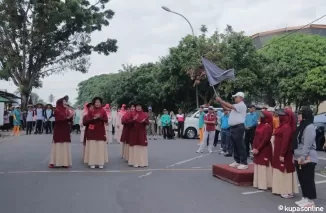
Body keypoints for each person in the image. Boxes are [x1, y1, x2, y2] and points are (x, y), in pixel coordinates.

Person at [216, 92, 248, 170]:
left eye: (236, 97)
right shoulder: (236, 106)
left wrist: (221, 100)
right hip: (233, 127)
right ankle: (237, 161)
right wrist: (220, 102)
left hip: (238, 127)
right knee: (235, 144)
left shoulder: (241, 105)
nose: (235, 98)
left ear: (241, 98)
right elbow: (227, 108)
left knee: (240, 145)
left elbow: (229, 106)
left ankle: (244, 162)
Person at [293, 106, 318, 207]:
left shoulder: (309, 127)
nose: (298, 115)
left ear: (305, 115)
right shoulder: (301, 126)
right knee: (302, 179)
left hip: (307, 157)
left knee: (308, 179)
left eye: (300, 114)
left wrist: (303, 157)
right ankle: (304, 197)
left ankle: (310, 200)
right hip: (298, 156)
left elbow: (307, 144)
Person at [272, 109, 298, 198]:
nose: (279, 117)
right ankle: (280, 189)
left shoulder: (287, 127)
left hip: (284, 153)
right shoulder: (281, 126)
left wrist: (282, 154)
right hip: (278, 152)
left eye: (281, 115)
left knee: (285, 171)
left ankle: (286, 190)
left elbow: (285, 142)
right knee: (279, 170)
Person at [83, 97, 109, 169]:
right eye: (96, 102)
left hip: (100, 131)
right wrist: (93, 118)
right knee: (93, 147)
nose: (97, 103)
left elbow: (106, 120)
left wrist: (100, 117)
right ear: (94, 103)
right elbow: (86, 121)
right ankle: (92, 162)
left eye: (99, 102)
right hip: (92, 131)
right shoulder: (91, 110)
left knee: (100, 147)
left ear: (101, 103)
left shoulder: (103, 111)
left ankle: (100, 162)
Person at [49, 96, 73, 168]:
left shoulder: (67, 110)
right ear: (60, 103)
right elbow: (59, 119)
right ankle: (53, 162)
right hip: (59, 129)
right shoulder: (57, 110)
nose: (66, 103)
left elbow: (70, 120)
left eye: (66, 101)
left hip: (65, 129)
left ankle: (65, 162)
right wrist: (68, 117)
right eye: (64, 101)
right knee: (57, 145)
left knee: (65, 145)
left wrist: (71, 116)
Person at [252, 111, 273, 190]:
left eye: (262, 116)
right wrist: (254, 147)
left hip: (264, 149)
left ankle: (265, 184)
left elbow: (266, 139)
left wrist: (258, 148)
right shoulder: (259, 125)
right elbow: (255, 137)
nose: (260, 117)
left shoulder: (267, 126)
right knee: (258, 165)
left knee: (263, 165)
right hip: (257, 148)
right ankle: (257, 183)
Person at [128, 103, 149, 168]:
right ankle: (134, 162)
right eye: (137, 106)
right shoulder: (132, 114)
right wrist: (133, 120)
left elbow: (147, 122)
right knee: (134, 146)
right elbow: (127, 122)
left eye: (139, 106)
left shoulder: (144, 114)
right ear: (135, 107)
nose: (138, 108)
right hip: (134, 132)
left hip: (142, 132)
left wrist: (144, 122)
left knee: (142, 146)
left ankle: (142, 162)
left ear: (141, 107)